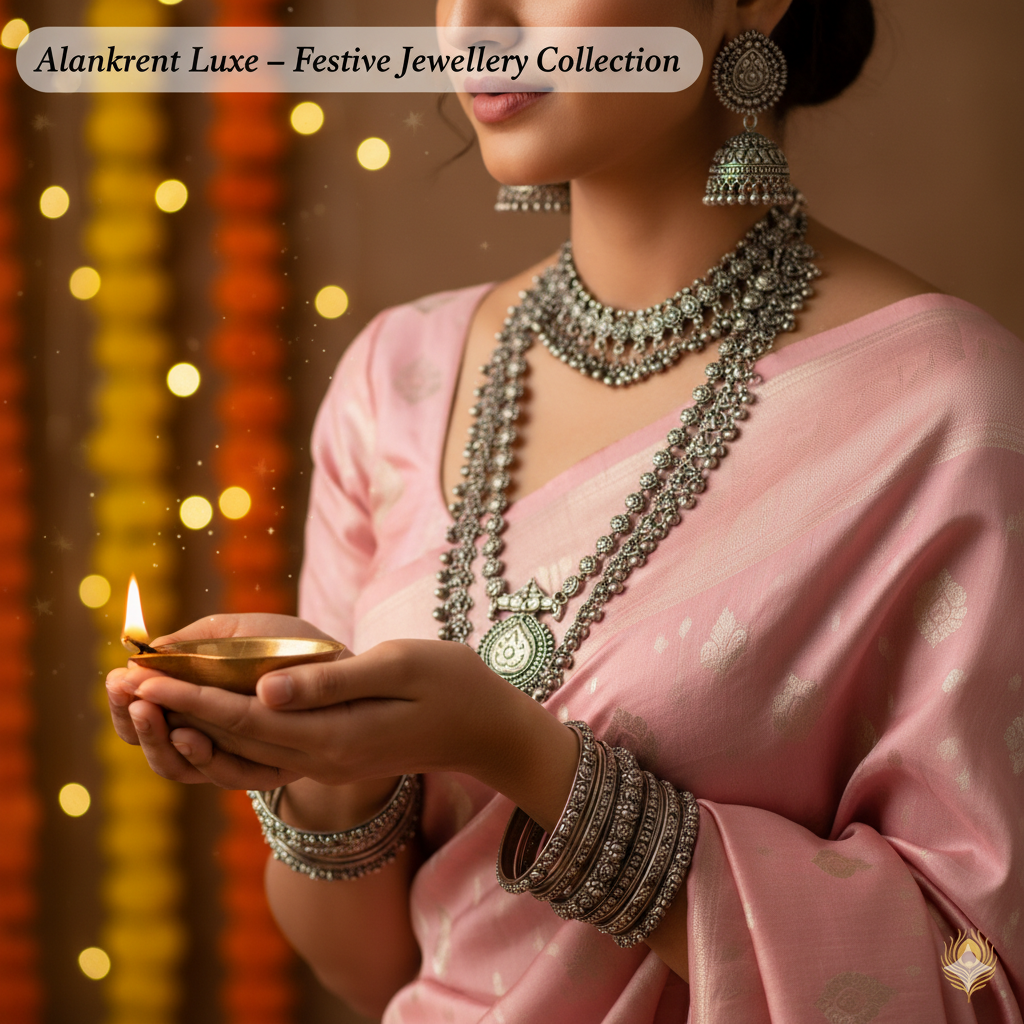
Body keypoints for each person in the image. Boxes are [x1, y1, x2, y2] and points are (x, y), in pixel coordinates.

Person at [106, 0, 1024, 1020]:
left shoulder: (949, 408)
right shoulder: (396, 377)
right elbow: (371, 973)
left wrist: (525, 756)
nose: (473, 23)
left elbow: (972, 981)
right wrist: (323, 760)